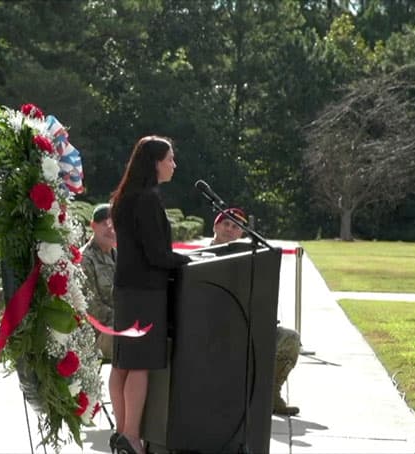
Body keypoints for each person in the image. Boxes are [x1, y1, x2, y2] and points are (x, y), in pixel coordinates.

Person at [108, 136, 190, 454]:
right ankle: (131, 437)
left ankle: (121, 434)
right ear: (155, 162)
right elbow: (157, 255)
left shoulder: (125, 197)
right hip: (144, 292)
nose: (173, 164)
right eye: (169, 158)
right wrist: (186, 260)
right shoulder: (148, 199)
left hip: (126, 289)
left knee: (122, 365)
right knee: (138, 366)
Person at [211, 207, 301, 417]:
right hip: (215, 331)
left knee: (290, 339)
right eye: (226, 224)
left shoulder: (248, 259)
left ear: (242, 233)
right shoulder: (201, 257)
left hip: (248, 326)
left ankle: (270, 395)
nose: (230, 230)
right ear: (215, 226)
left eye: (236, 227)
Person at [81, 203, 117, 361]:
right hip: (96, 332)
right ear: (93, 226)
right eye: (105, 224)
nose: (110, 229)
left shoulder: (118, 255)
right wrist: (125, 319)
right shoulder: (84, 259)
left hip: (118, 324)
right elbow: (92, 306)